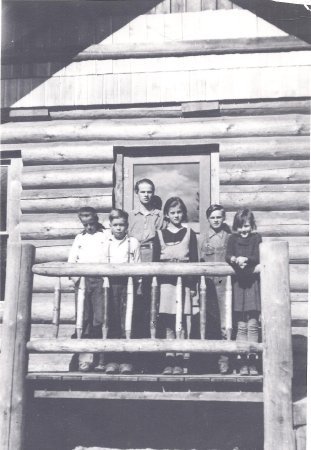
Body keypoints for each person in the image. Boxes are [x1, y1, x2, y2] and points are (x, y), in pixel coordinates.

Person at [153, 197, 198, 375]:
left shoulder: (189, 233)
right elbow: (155, 262)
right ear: (166, 214)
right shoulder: (159, 234)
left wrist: (193, 285)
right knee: (168, 321)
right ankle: (169, 358)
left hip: (184, 283)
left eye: (179, 212)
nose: (176, 215)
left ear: (183, 213)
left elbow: (194, 260)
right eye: (172, 212)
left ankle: (181, 359)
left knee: (183, 321)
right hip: (166, 285)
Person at [97, 208, 141, 375]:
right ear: (110, 226)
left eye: (122, 225)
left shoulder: (133, 243)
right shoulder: (105, 243)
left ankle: (126, 361)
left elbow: (137, 265)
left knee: (127, 322)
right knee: (111, 320)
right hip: (110, 284)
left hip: (128, 285)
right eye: (115, 225)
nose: (119, 228)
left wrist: (138, 286)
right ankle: (111, 360)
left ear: (127, 225)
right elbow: (100, 265)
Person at [68, 207, 107, 372]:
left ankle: (100, 358)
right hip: (83, 281)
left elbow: (108, 256)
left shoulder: (105, 235)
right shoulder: (79, 238)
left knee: (99, 319)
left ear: (96, 220)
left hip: (100, 280)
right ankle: (84, 360)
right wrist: (77, 279)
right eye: (86, 225)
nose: (89, 227)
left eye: (91, 223)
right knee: (83, 320)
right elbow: (72, 260)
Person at [225, 209, 262, 376]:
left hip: (252, 285)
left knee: (253, 324)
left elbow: (257, 257)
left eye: (246, 226)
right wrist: (234, 259)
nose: (243, 230)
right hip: (239, 285)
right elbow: (228, 255)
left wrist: (246, 259)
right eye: (240, 227)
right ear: (236, 227)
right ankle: (242, 363)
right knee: (241, 325)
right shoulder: (232, 238)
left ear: (252, 225)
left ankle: (252, 362)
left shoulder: (256, 238)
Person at [200, 204, 231, 374]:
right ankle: (208, 361)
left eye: (219, 217)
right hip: (208, 285)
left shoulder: (230, 237)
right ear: (208, 219)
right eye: (213, 217)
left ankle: (224, 360)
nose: (216, 220)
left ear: (223, 218)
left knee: (225, 323)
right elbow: (198, 261)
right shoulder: (203, 238)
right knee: (209, 321)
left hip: (225, 285)